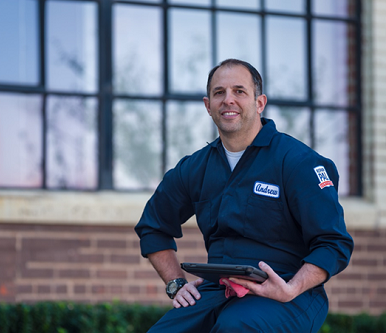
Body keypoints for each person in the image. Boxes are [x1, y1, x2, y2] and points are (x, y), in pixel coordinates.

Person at [134, 59, 354, 332]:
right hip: (218, 289)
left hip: (290, 292)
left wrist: (292, 288)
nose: (228, 100)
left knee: (234, 327)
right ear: (207, 106)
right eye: (219, 93)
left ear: (259, 103)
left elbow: (333, 243)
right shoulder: (195, 168)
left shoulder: (297, 162)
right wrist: (176, 283)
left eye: (239, 91)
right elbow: (153, 226)